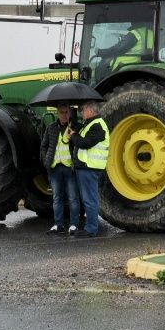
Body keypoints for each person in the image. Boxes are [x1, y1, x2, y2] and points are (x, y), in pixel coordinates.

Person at [70, 99, 111, 237]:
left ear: (90, 110)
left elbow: (85, 143)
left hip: (90, 168)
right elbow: (82, 133)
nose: (82, 112)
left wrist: (73, 136)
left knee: (90, 199)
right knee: (88, 198)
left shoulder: (97, 125)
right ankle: (90, 227)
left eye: (83, 110)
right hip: (86, 168)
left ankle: (91, 229)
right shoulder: (91, 124)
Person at [39, 105, 80, 235]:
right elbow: (44, 146)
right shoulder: (51, 128)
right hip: (55, 168)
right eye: (61, 112)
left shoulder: (75, 127)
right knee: (57, 198)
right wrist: (46, 162)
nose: (64, 115)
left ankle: (73, 225)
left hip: (70, 168)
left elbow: (80, 145)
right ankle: (58, 224)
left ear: (70, 113)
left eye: (66, 112)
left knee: (73, 197)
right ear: (58, 113)